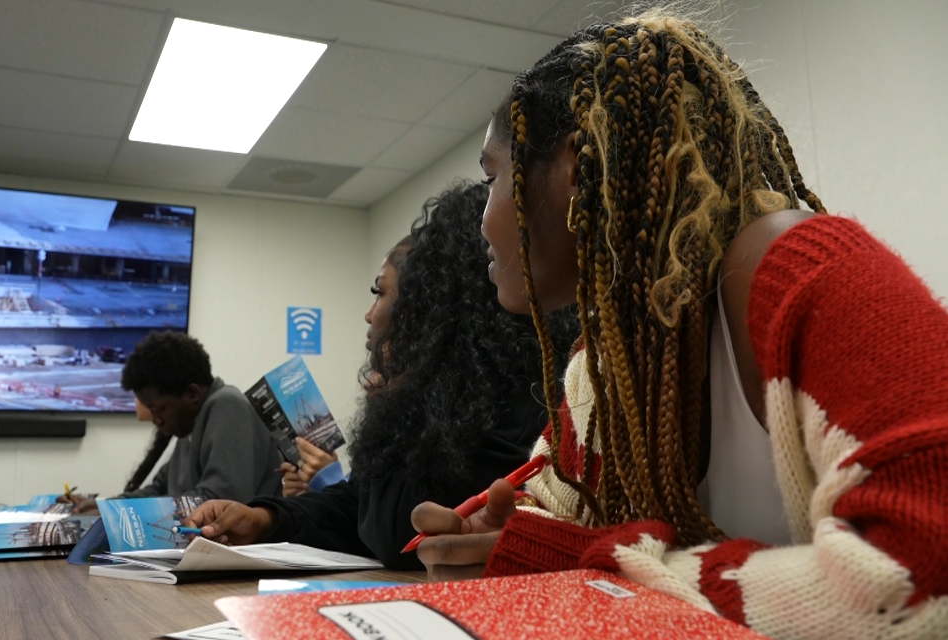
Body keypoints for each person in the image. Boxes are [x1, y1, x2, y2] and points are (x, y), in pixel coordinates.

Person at [409, 9, 948, 640]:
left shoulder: (807, 273)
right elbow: (553, 512)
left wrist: (598, 572)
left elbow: (921, 580)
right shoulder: (603, 366)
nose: (482, 218)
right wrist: (497, 538)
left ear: (578, 171)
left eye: (491, 175)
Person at [186, 182, 577, 569]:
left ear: (431, 309)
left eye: (380, 292)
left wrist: (396, 395)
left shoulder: (527, 404)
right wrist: (265, 519)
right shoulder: (450, 401)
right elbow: (356, 503)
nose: (370, 315)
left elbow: (394, 532)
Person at [64, 331, 282, 513]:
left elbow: (218, 503)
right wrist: (107, 507)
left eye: (158, 409)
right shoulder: (192, 424)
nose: (156, 420)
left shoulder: (227, 406)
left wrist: (122, 513)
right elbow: (159, 489)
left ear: (192, 394)